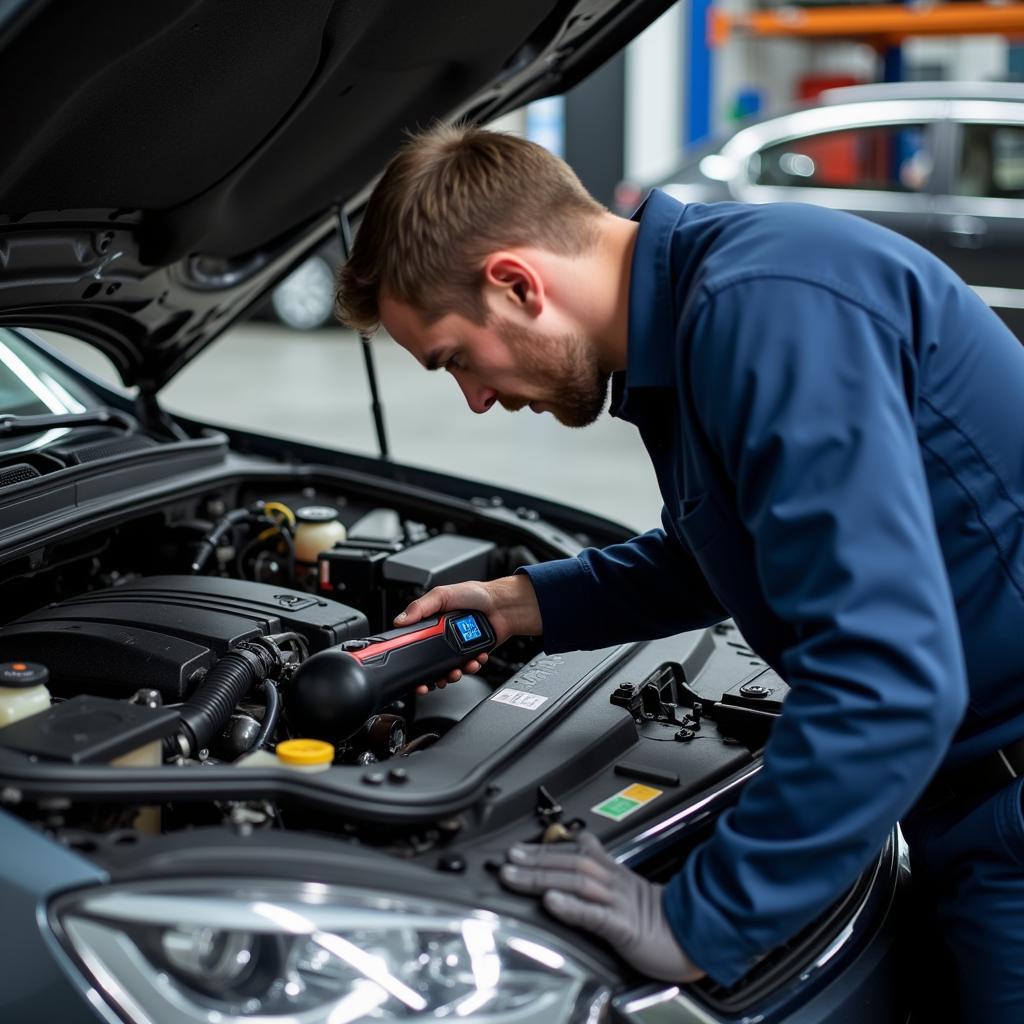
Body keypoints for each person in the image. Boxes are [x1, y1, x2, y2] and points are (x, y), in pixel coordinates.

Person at [336, 123, 1024, 1020]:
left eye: (456, 358)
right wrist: (519, 603)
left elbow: (884, 677)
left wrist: (701, 923)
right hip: (964, 797)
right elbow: (731, 553)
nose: (474, 397)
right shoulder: (708, 317)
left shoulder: (766, 311)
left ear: (516, 284)